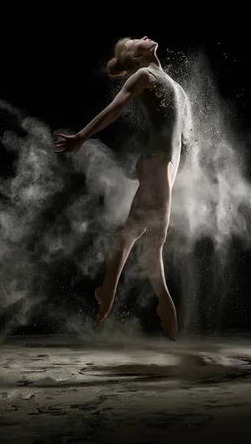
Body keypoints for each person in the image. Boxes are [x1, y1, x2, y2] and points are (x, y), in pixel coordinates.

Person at [54, 37, 187, 340]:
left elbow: (179, 134)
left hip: (163, 169)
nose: (143, 37)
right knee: (151, 241)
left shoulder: (170, 82)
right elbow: (115, 108)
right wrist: (82, 137)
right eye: (134, 42)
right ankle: (163, 304)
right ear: (134, 57)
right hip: (157, 167)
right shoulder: (143, 76)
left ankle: (108, 290)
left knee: (134, 232)